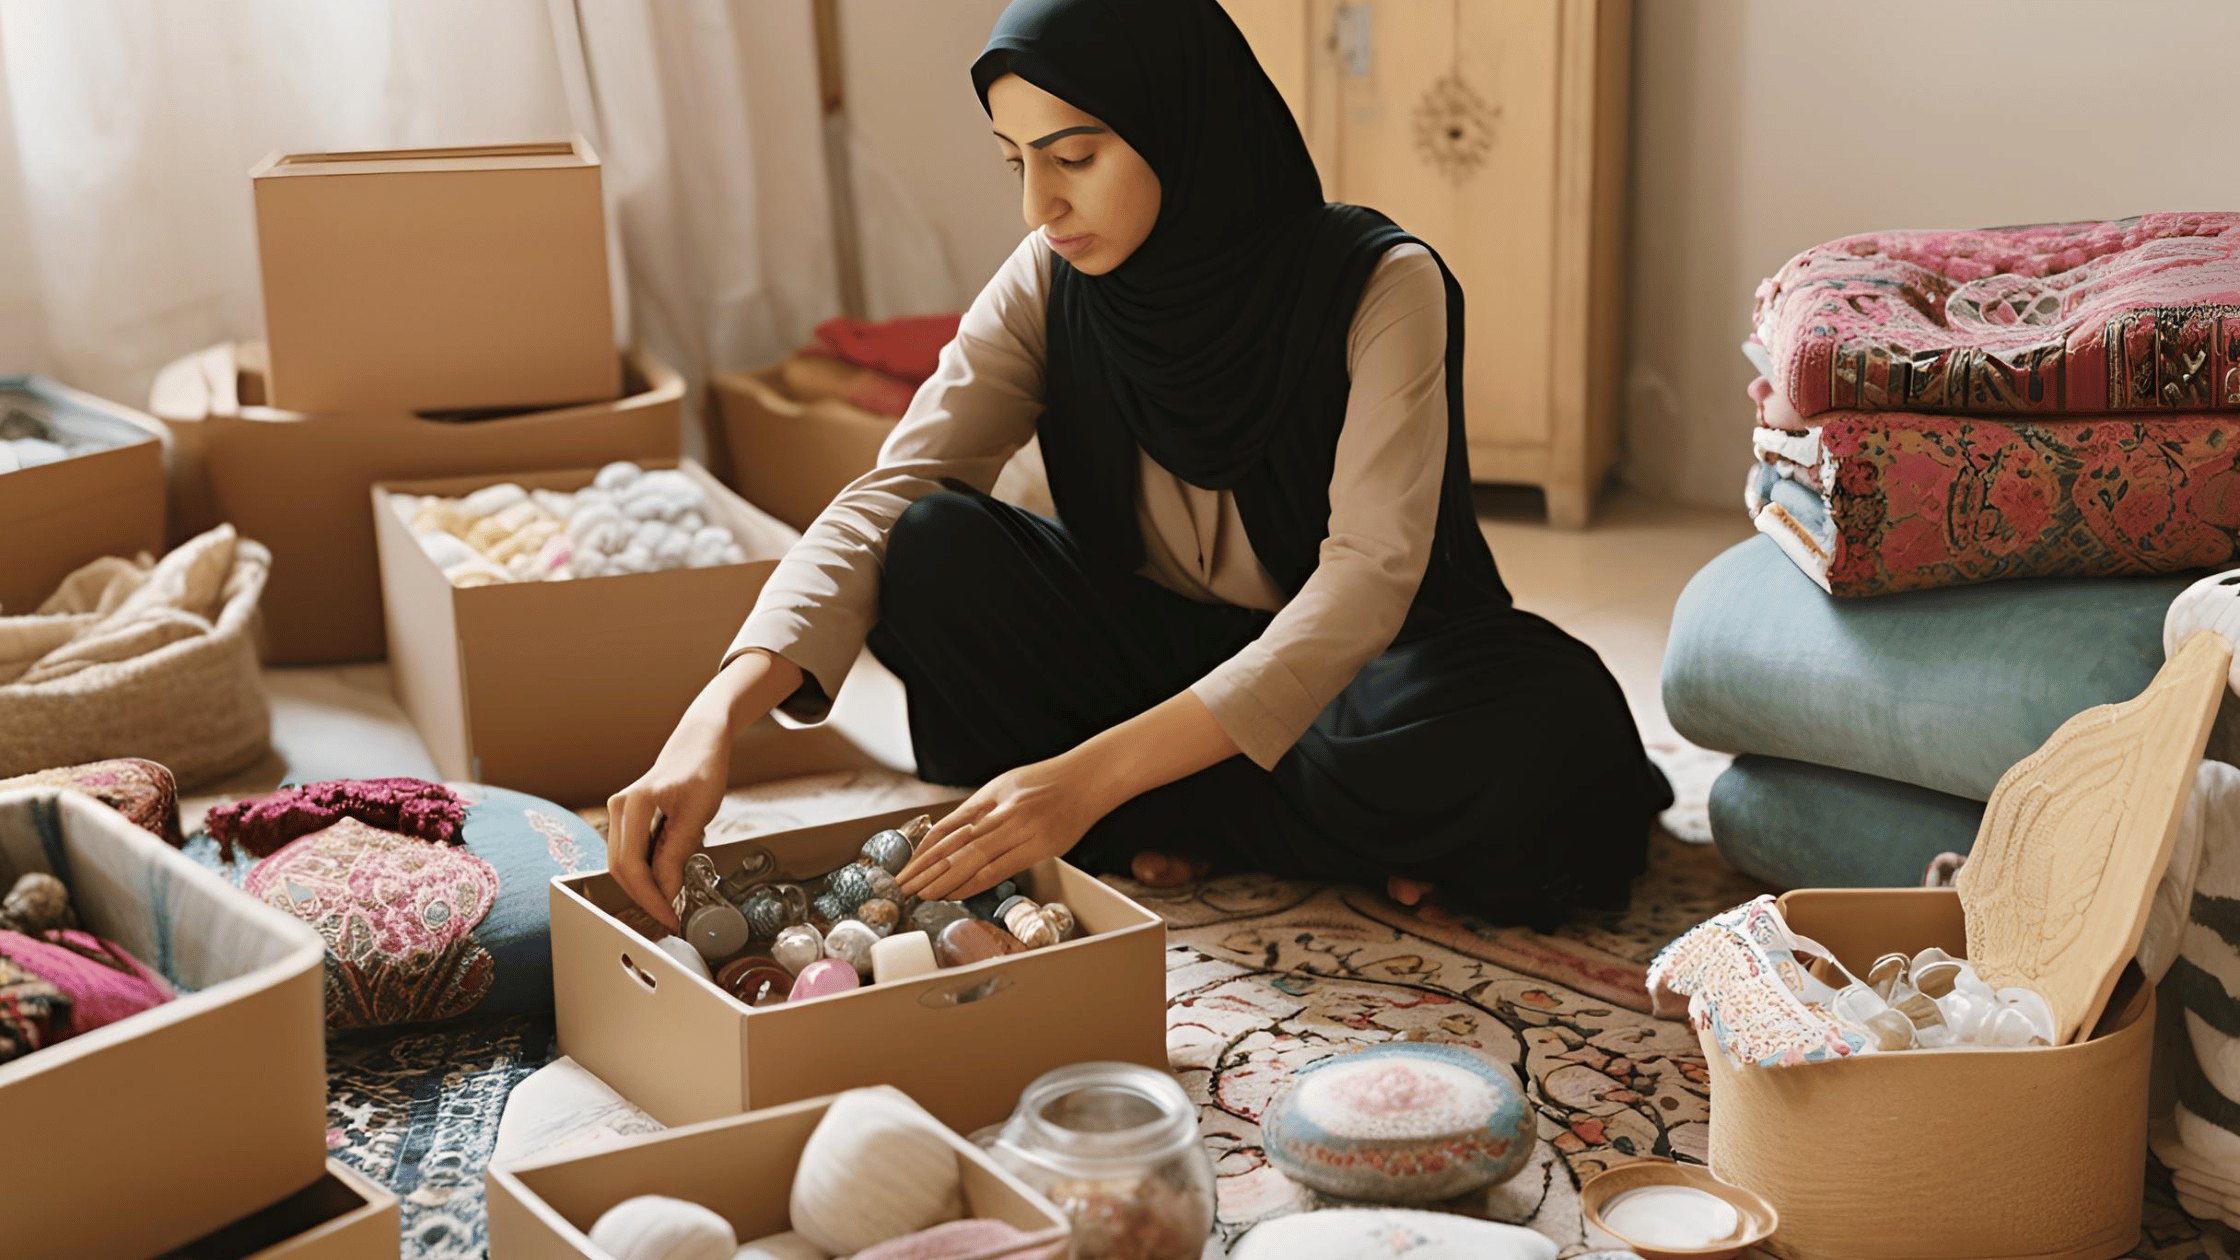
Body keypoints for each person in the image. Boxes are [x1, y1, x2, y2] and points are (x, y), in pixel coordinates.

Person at [606, 0, 1670, 935]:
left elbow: (1363, 588)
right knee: (929, 544)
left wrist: (1084, 781)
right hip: (1152, 665)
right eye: (1015, 162)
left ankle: (1134, 815)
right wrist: (714, 720)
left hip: (1357, 685)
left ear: (1182, 126)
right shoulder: (1051, 277)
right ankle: (1207, 818)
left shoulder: (1379, 286)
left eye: (1072, 158)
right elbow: (894, 491)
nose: (1039, 207)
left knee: (1545, 729)